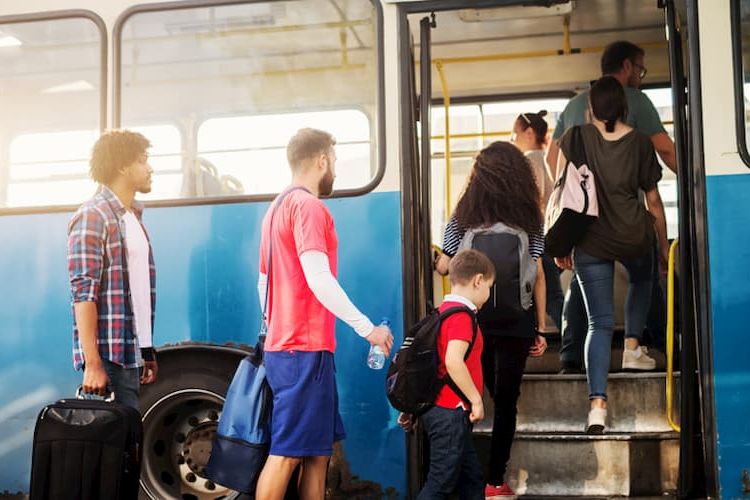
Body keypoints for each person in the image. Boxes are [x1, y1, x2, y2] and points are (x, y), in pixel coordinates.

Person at [255, 128, 394, 500]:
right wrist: (368, 330)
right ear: (321, 160)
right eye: (333, 160)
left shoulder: (276, 209)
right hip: (303, 349)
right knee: (285, 455)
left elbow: (262, 283)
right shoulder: (309, 207)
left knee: (317, 454)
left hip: (292, 347)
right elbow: (319, 278)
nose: (334, 167)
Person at [546, 40, 675, 373]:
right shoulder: (636, 102)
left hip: (585, 224)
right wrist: (699, 182)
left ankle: (570, 356)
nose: (641, 77)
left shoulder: (574, 106)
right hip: (627, 220)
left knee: (581, 289)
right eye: (641, 69)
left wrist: (572, 204)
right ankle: (663, 347)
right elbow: (667, 152)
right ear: (628, 67)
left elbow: (554, 163)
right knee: (646, 279)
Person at [554, 77, 669, 433]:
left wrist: (561, 243)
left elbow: (563, 191)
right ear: (624, 107)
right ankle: (634, 346)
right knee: (643, 276)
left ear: (591, 107)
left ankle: (597, 407)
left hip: (591, 239)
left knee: (598, 324)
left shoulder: (576, 138)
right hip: (635, 235)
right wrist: (663, 246)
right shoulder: (639, 143)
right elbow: (652, 200)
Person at [436, 142, 548, 498]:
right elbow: (539, 274)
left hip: (471, 321)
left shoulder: (462, 217)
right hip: (517, 322)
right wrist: (541, 327)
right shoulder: (530, 218)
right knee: (506, 401)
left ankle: (459, 476)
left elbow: (450, 266)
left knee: (467, 398)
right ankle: (494, 481)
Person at [67, 130, 158, 411]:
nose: (150, 168)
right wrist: (92, 364)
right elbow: (83, 294)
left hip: (131, 356)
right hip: (109, 359)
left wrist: (147, 350)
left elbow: (137, 293)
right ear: (122, 166)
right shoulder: (93, 215)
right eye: (143, 161)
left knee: (129, 448)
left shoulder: (132, 216)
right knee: (114, 452)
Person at [399, 249, 494, 500]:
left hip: (438, 409)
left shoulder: (440, 313)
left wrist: (411, 408)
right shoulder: (462, 317)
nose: (488, 295)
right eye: (489, 287)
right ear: (478, 280)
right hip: (450, 411)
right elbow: (453, 362)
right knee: (440, 483)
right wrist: (475, 399)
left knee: (471, 479)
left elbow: (427, 366)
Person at [511, 110, 563, 334]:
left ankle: (573, 349)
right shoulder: (546, 159)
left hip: (539, 236)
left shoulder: (531, 159)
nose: (512, 139)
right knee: (551, 295)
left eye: (514, 134)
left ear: (529, 133)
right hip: (550, 234)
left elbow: (534, 200)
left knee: (551, 296)